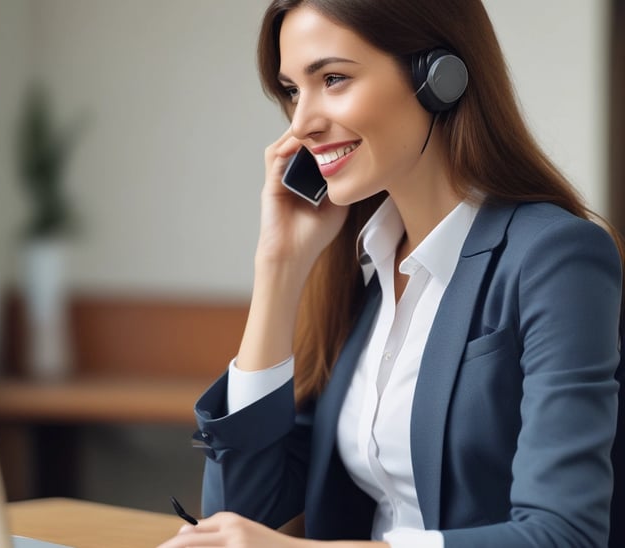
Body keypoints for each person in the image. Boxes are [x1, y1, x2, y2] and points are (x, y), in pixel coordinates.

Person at [159, 0, 624, 546]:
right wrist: (279, 267)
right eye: (292, 91)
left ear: (439, 79)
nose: (302, 123)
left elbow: (564, 535)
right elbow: (236, 514)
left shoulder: (555, 257)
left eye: (332, 79)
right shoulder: (366, 268)